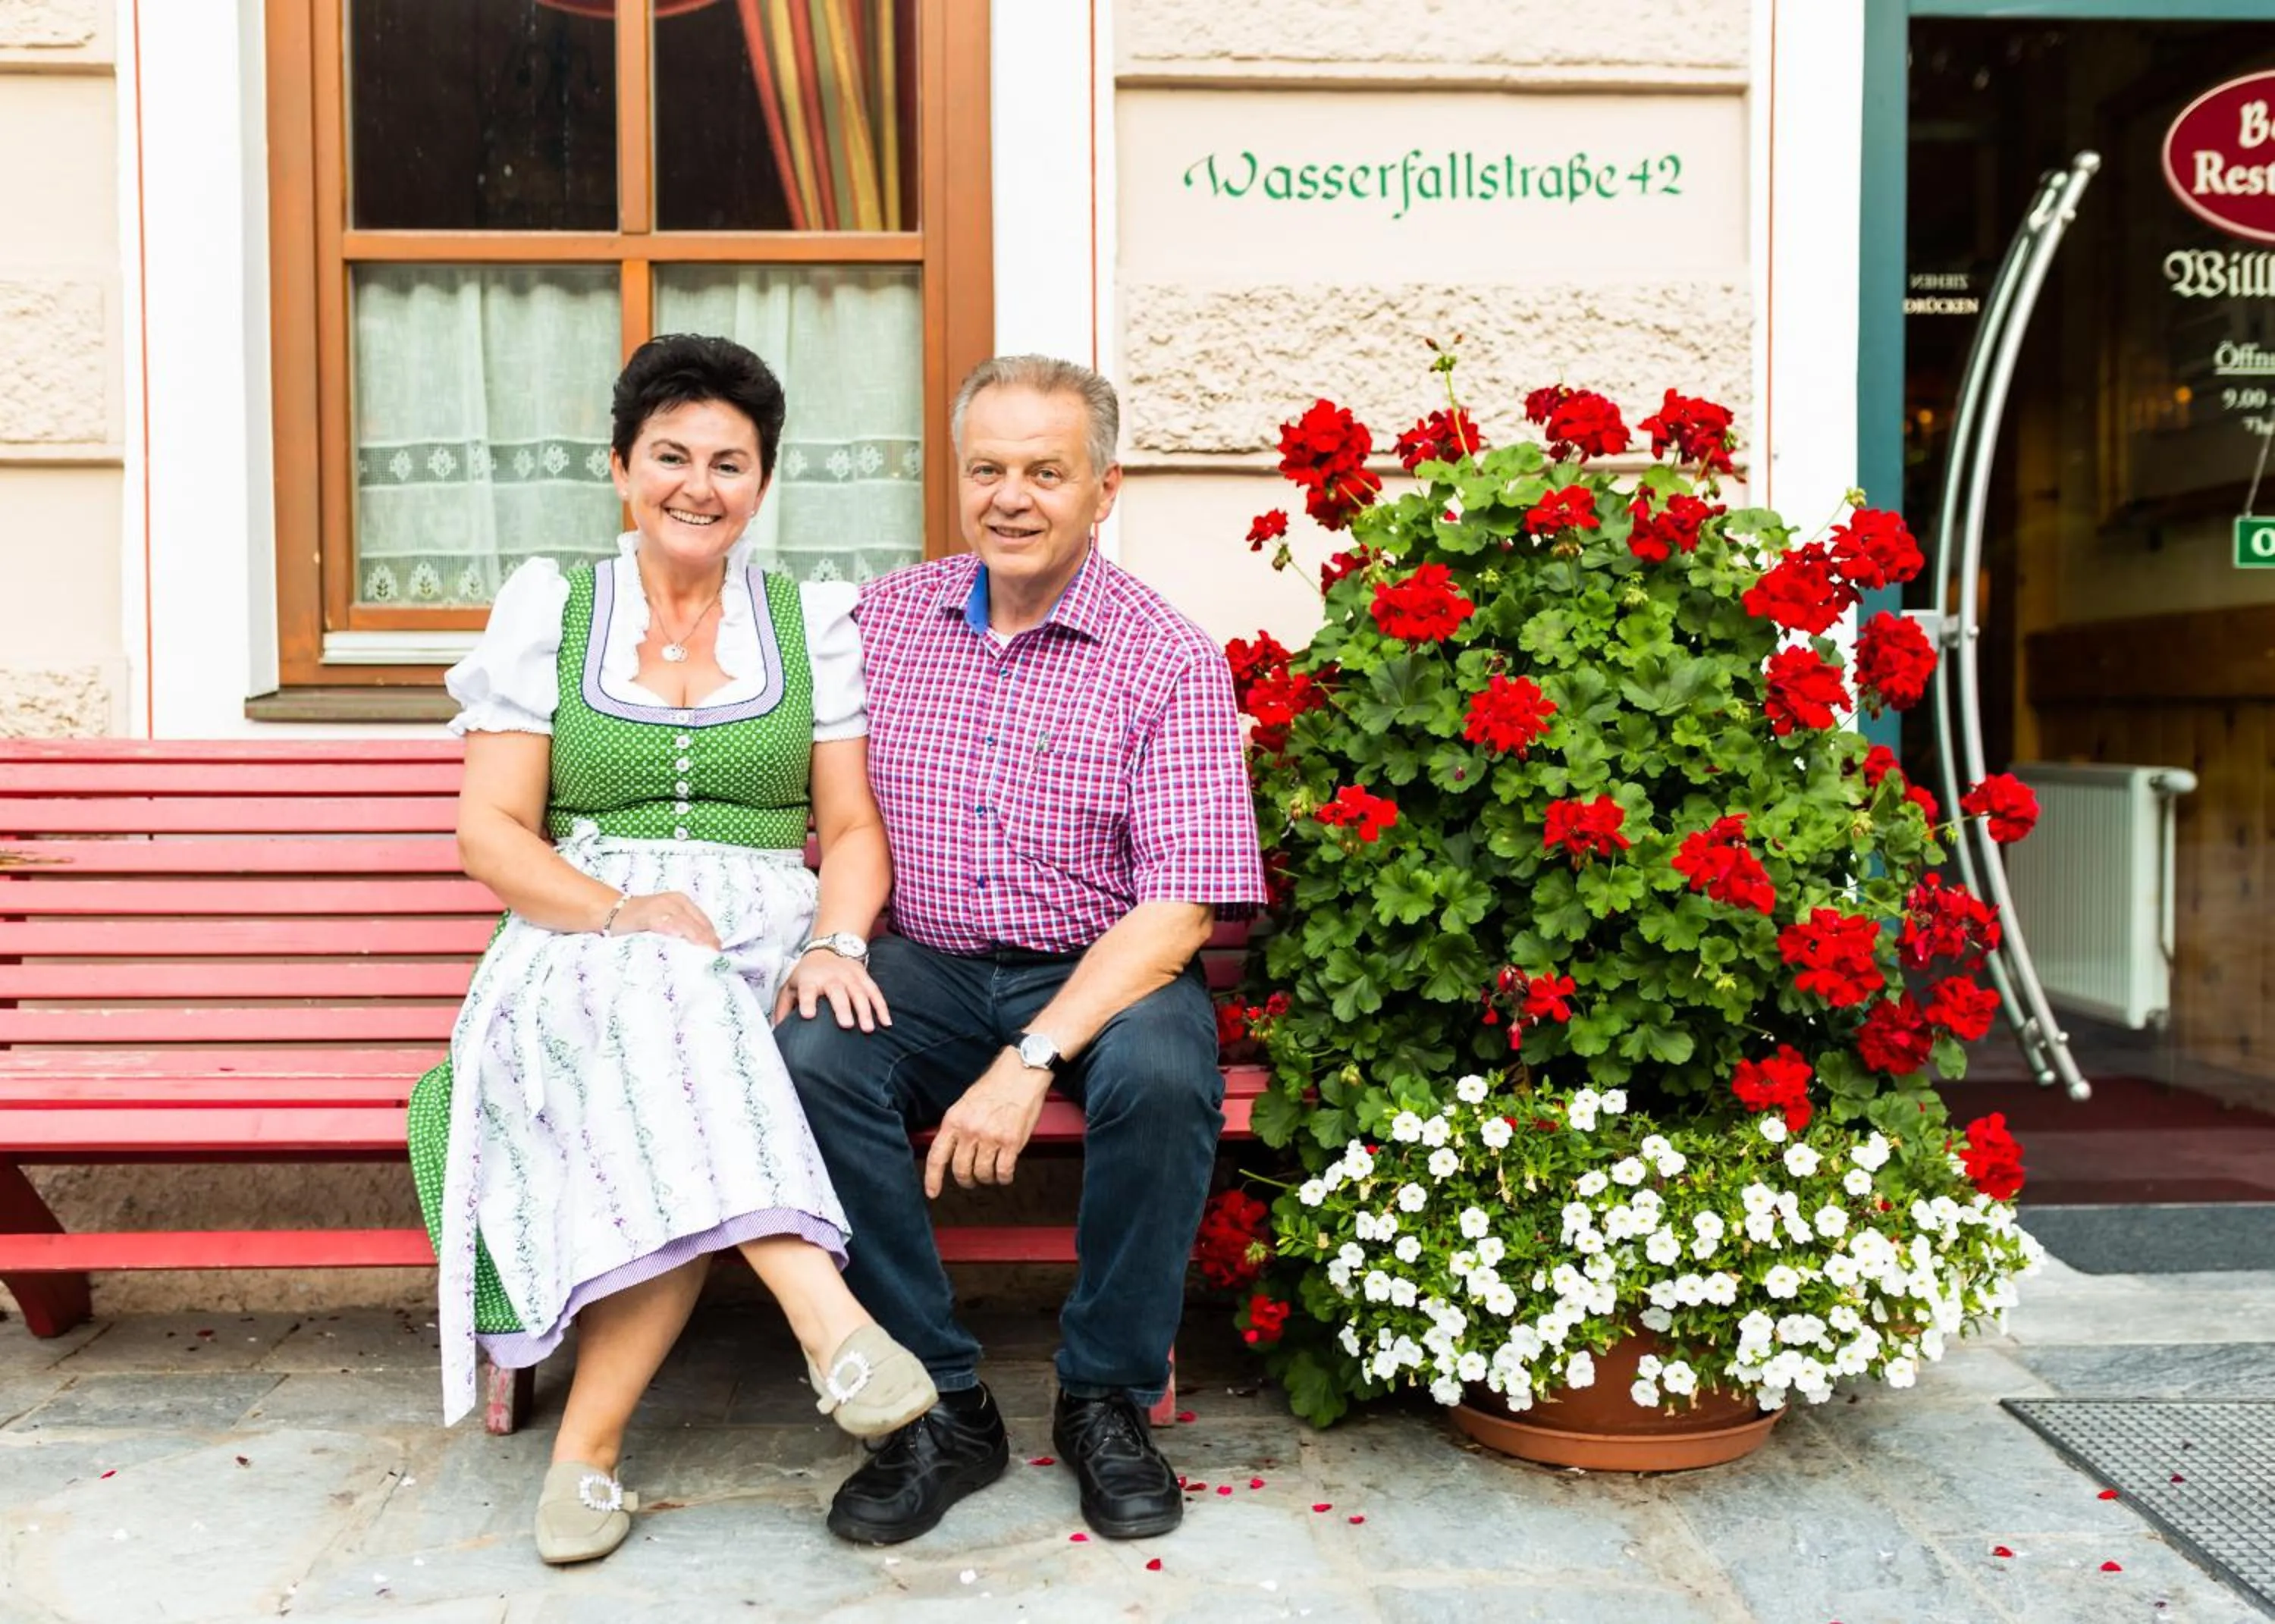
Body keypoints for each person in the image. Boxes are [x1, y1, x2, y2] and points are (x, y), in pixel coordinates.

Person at [407, 334, 936, 1566]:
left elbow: (850, 827)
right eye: (671, 457)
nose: (699, 485)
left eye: (731, 462)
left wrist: (841, 938)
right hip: (580, 932)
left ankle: (584, 1454)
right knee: (664, 984)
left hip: (763, 935)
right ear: (621, 470)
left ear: (763, 482)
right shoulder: (554, 609)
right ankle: (830, 1321)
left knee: (674, 1084)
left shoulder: (812, 624)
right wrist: (615, 908)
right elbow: (490, 831)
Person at [777, 354, 1268, 1545]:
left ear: (1105, 489)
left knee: (1160, 1075)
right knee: (808, 1055)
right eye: (988, 467)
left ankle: (1105, 1393)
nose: (1012, 495)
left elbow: (1183, 911)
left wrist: (1033, 1056)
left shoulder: (1167, 656)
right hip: (932, 960)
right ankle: (942, 1403)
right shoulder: (882, 624)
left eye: (1046, 471)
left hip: (1106, 962)